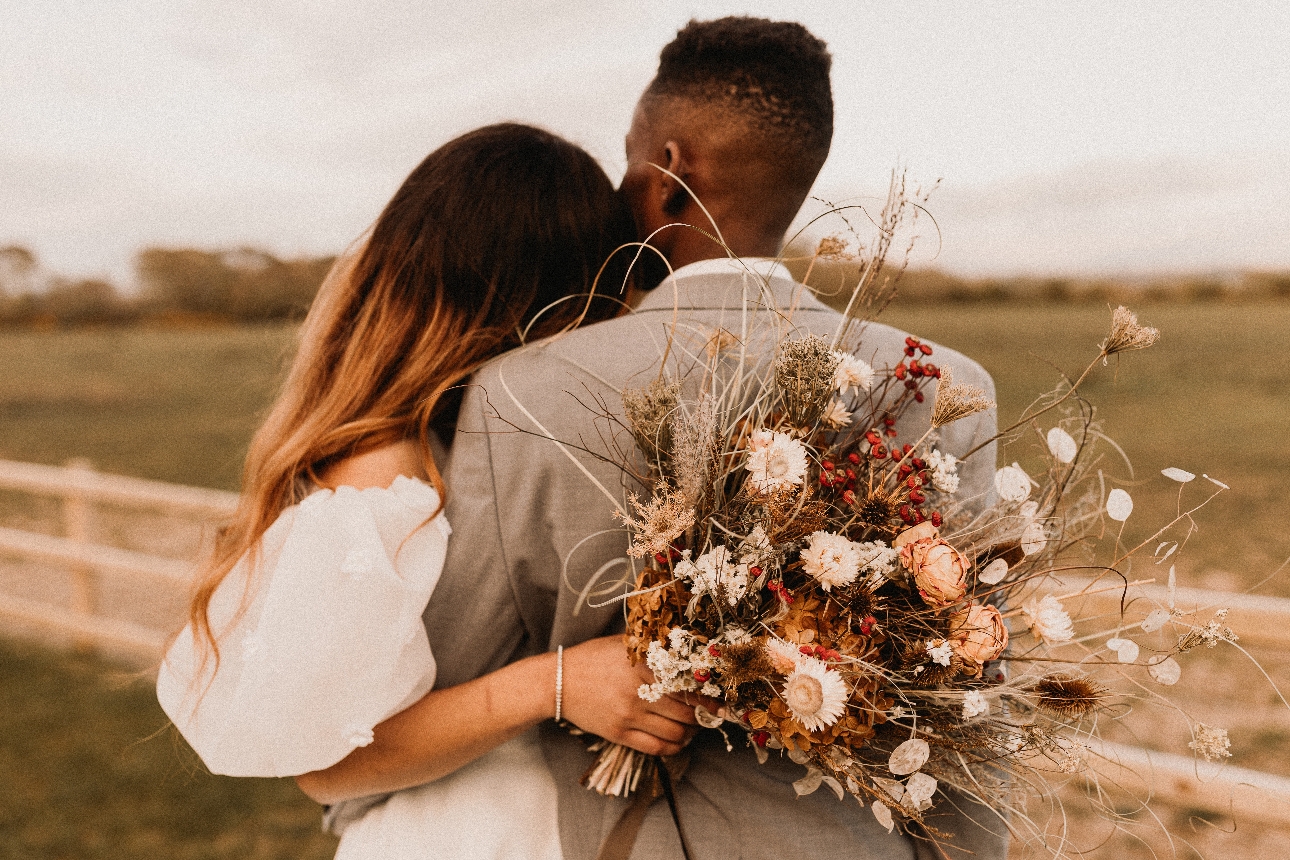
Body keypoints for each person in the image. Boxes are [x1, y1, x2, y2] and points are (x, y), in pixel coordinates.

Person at [401, 17, 1009, 860]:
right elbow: (975, 688)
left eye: (628, 156)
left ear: (669, 169)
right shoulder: (945, 389)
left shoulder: (521, 392)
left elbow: (449, 676)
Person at [156, 122, 701, 860]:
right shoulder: (388, 472)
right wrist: (554, 684)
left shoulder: (492, 443)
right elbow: (326, 766)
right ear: (547, 298)